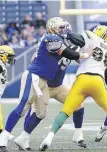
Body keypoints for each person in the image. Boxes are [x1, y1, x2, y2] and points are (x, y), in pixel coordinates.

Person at [0, 17, 93, 152]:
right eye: (61, 28)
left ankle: (23, 138)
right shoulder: (50, 37)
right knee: (22, 107)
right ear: (52, 28)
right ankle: (3, 139)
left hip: (44, 80)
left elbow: (68, 53)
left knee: (41, 113)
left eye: (64, 28)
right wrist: (83, 55)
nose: (64, 30)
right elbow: (65, 52)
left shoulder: (61, 40)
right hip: (34, 76)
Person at [39, 25, 107, 151]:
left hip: (82, 79)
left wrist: (67, 34)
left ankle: (48, 138)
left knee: (65, 111)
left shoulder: (91, 36)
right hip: (97, 81)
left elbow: (76, 38)